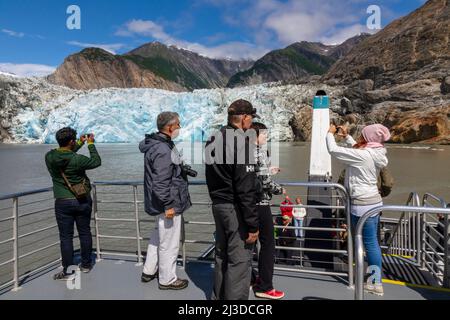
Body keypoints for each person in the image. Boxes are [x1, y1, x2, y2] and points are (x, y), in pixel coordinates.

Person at [327, 123, 390, 296]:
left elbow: (333, 150)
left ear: (368, 138)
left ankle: (376, 283)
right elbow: (359, 151)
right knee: (372, 244)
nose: (361, 137)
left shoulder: (364, 156)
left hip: (362, 205)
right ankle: (371, 278)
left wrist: (329, 133)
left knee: (368, 244)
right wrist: (347, 137)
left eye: (363, 135)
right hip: (373, 203)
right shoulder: (377, 153)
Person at [205, 99, 260, 300]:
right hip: (234, 209)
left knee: (221, 256)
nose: (252, 122)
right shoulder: (242, 143)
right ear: (244, 118)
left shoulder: (213, 139)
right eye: (251, 117)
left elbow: (210, 175)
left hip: (218, 205)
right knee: (239, 261)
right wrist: (252, 225)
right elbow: (245, 189)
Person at [139, 112, 191, 290]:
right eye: (178, 125)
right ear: (169, 127)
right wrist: (169, 205)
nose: (179, 128)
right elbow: (161, 182)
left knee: (157, 236)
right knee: (169, 242)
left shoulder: (157, 144)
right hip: (168, 203)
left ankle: (149, 270)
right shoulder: (162, 149)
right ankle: (167, 279)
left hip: (158, 201)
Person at [45, 128, 101, 280]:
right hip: (82, 200)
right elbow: (96, 161)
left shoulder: (49, 156)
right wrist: (90, 144)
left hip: (62, 202)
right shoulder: (78, 159)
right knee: (84, 232)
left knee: (66, 237)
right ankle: (86, 265)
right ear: (71, 141)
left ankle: (68, 271)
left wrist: (78, 143)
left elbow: (65, 154)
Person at [251, 122, 285, 300]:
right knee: (268, 244)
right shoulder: (259, 152)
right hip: (261, 203)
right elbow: (264, 182)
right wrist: (279, 189)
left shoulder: (245, 151)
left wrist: (268, 171)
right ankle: (265, 286)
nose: (266, 137)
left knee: (248, 243)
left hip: (249, 203)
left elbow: (256, 174)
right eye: (264, 134)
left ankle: (250, 278)